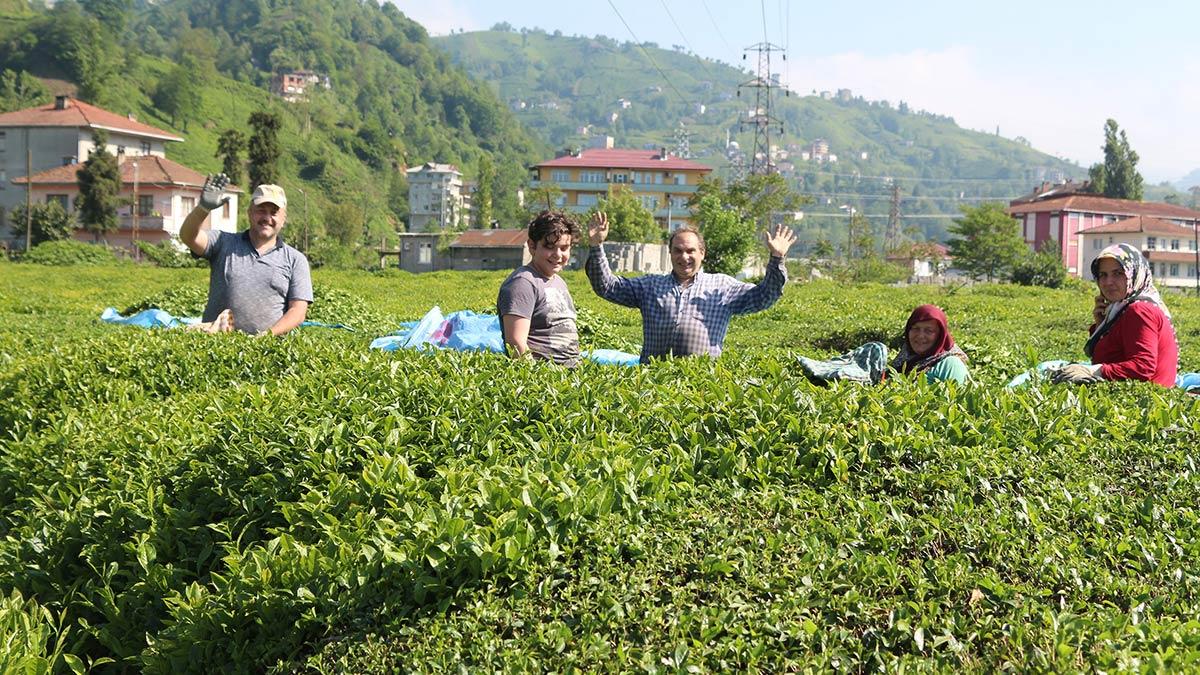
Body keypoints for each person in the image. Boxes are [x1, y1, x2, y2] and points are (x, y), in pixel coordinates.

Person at [585, 212, 796, 363]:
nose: (684, 257)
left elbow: (765, 296)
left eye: (690, 251)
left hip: (701, 384)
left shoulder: (721, 287)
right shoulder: (649, 286)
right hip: (653, 380)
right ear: (670, 253)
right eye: (677, 251)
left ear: (702, 253)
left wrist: (777, 258)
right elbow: (607, 286)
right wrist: (596, 246)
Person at [178, 175, 313, 337]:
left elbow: (297, 311)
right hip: (215, 344)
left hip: (266, 350)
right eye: (261, 211)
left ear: (283, 219)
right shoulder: (223, 242)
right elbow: (188, 237)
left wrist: (267, 336)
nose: (267, 218)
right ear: (249, 213)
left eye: (274, 213)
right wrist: (203, 208)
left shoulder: (295, 259)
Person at [1051, 243, 1178, 386]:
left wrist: (1094, 371)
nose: (1108, 282)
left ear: (1134, 274)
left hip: (1144, 400)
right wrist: (1102, 326)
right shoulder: (1122, 310)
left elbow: (1143, 368)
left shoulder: (1140, 311)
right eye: (1103, 275)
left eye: (1118, 273)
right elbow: (1113, 356)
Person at [496, 210, 582, 366]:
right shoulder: (522, 283)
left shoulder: (559, 281)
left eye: (564, 248)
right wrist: (537, 379)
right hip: (546, 376)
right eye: (549, 247)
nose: (557, 255)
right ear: (532, 246)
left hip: (570, 373)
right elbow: (515, 343)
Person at [891, 304, 969, 384]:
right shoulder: (905, 357)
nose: (920, 336)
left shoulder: (950, 365)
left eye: (929, 330)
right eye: (915, 328)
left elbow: (958, 395)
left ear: (940, 336)